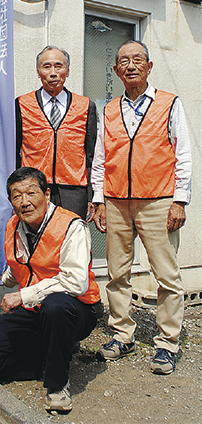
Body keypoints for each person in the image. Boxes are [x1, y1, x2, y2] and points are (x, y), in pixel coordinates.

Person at [92, 40, 192, 375]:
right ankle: (122, 334)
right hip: (117, 201)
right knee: (117, 272)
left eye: (138, 60)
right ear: (116, 70)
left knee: (166, 274)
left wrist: (180, 199)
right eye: (124, 61)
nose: (131, 65)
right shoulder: (109, 109)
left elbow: (184, 154)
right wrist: (98, 199)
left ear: (149, 67)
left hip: (159, 201)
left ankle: (167, 344)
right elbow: (100, 158)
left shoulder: (169, 104)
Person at [0, 167, 102, 413]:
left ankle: (57, 385)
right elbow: (20, 264)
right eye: (16, 196)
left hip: (77, 309)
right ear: (10, 201)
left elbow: (76, 282)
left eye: (31, 193)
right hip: (34, 308)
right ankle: (45, 360)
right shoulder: (13, 226)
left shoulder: (72, 226)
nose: (24, 202)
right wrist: (2, 277)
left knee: (56, 305)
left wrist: (23, 295)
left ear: (47, 194)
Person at [15, 45, 97, 220]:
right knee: (35, 241)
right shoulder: (22, 104)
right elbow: (14, 151)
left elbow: (91, 155)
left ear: (67, 71)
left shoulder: (85, 105)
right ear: (38, 72)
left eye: (58, 66)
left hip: (74, 190)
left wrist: (91, 195)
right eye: (47, 67)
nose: (53, 73)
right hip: (34, 188)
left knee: (72, 240)